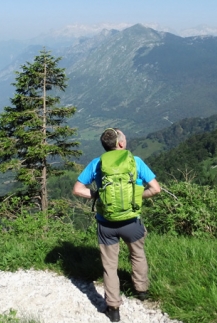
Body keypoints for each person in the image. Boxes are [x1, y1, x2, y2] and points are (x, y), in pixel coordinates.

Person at [73, 128, 161, 322]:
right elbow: (156, 189)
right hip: (132, 221)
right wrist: (137, 197)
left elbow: (78, 189)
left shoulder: (96, 164)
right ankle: (142, 291)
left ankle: (113, 309)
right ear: (121, 144)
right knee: (137, 255)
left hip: (106, 224)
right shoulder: (136, 162)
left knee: (109, 266)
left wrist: (99, 196)